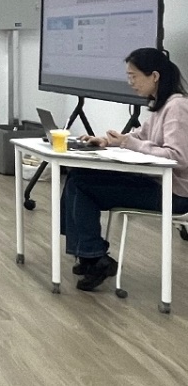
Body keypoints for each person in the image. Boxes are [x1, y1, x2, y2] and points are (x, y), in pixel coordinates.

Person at [64, 48, 188, 291]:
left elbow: (178, 157)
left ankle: (93, 256)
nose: (130, 82)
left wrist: (129, 143)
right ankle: (89, 255)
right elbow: (139, 136)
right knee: (78, 175)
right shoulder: (162, 106)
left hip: (175, 194)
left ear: (154, 76)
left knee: (80, 184)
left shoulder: (178, 107)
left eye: (133, 76)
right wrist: (107, 141)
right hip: (157, 184)